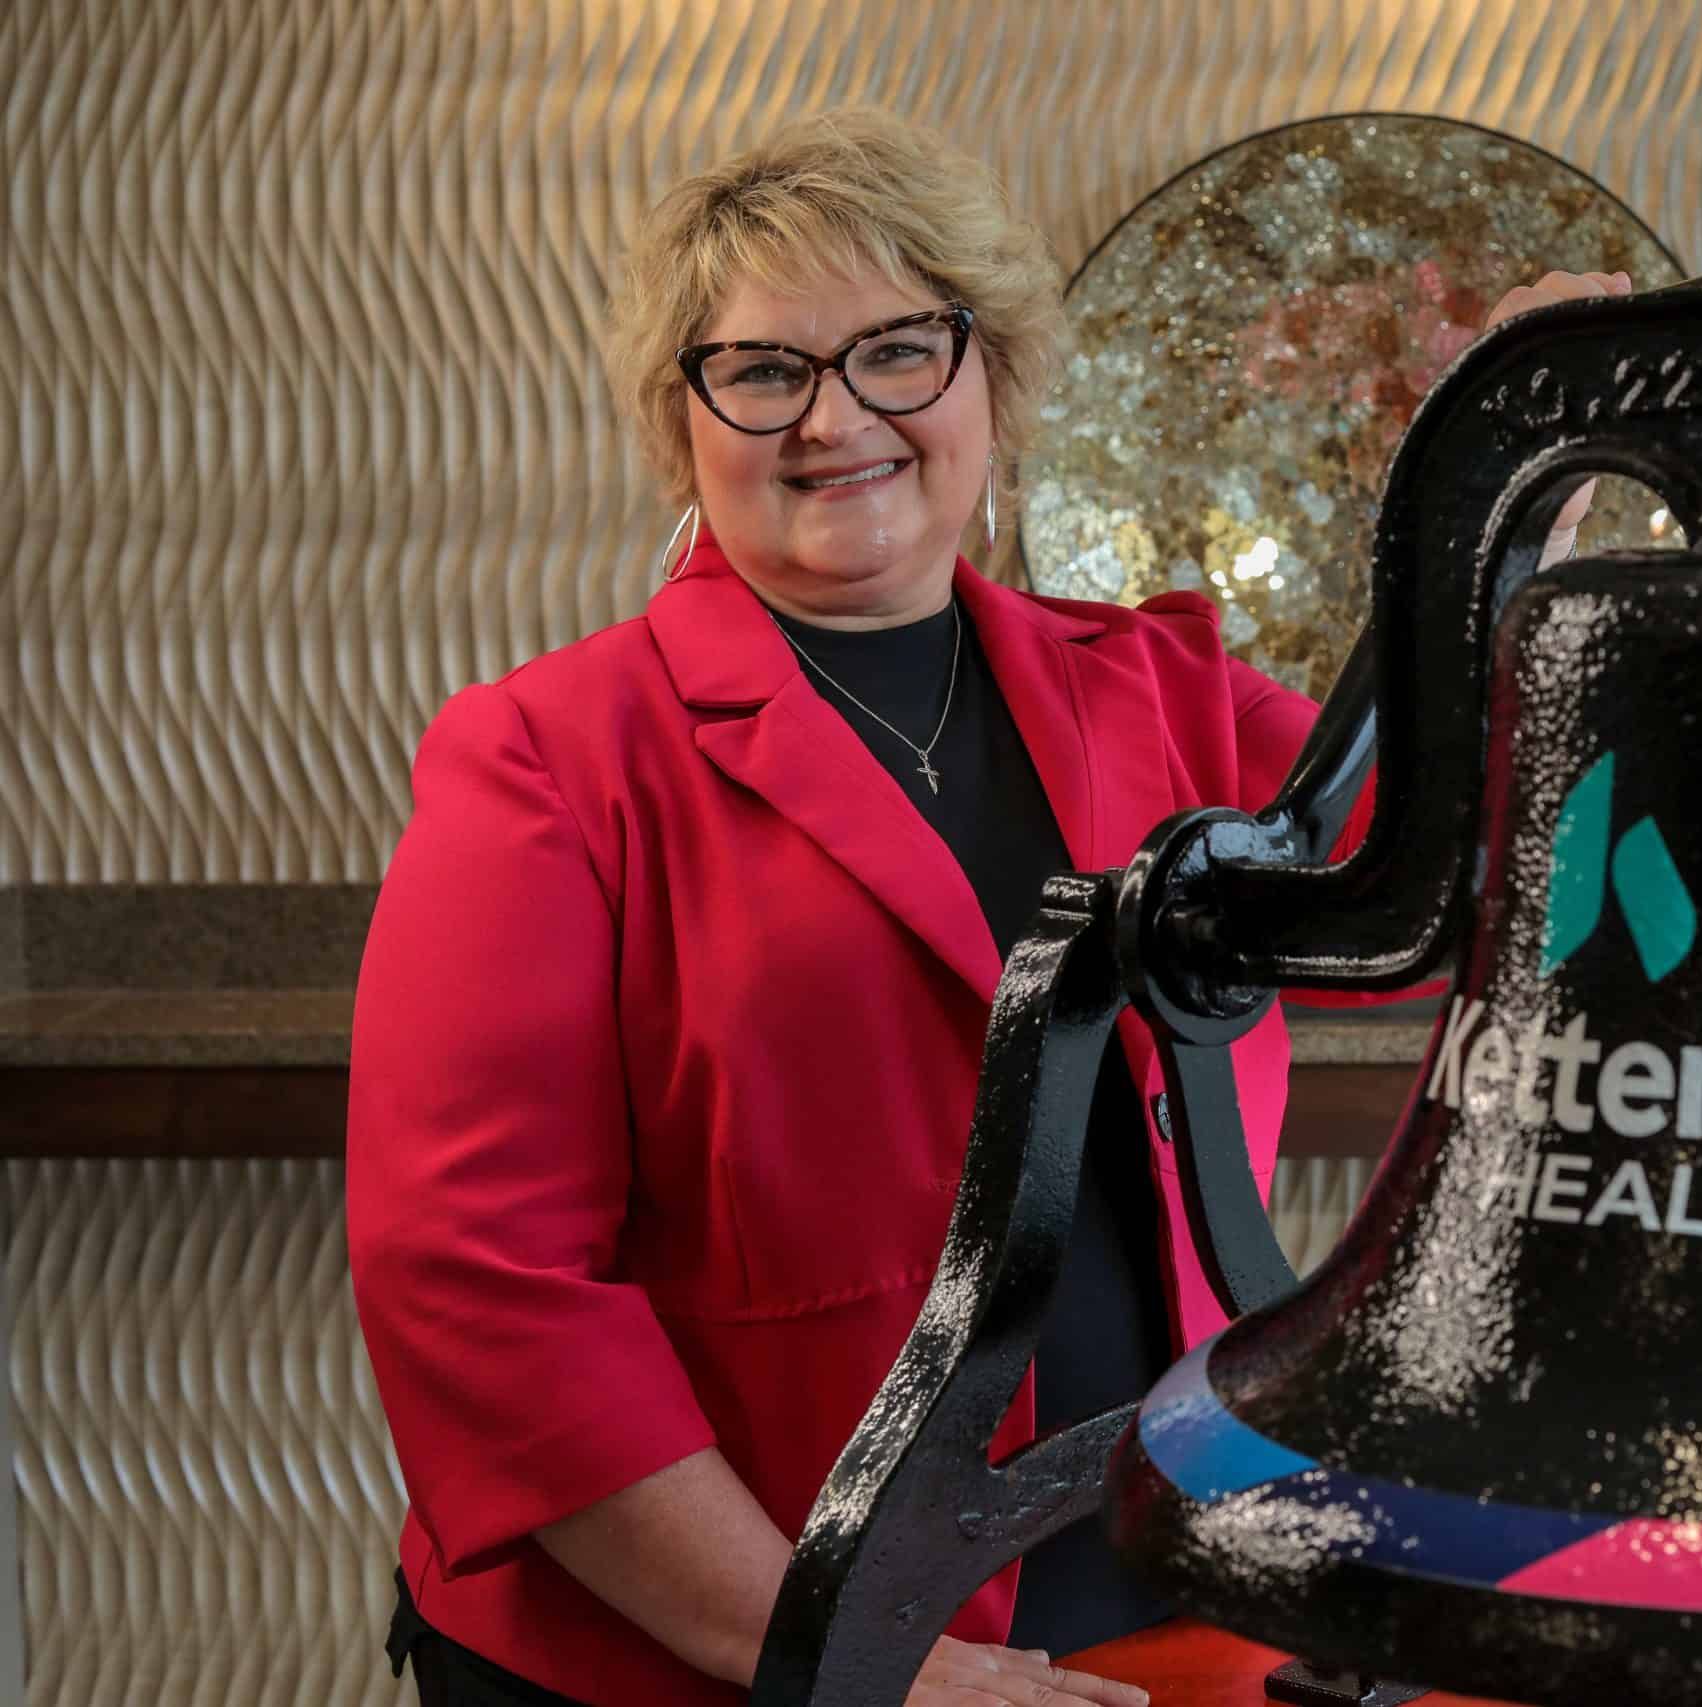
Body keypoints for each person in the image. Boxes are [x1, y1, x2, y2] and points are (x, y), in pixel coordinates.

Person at [346, 103, 1627, 1707]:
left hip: (1150, 1586)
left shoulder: (1164, 690)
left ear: (991, 382)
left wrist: (1512, 510)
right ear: (682, 423)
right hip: (727, 1656)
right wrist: (859, 1669)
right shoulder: (546, 757)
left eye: (900, 347)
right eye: (762, 371)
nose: (836, 419)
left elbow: (1478, 869)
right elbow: (478, 1285)